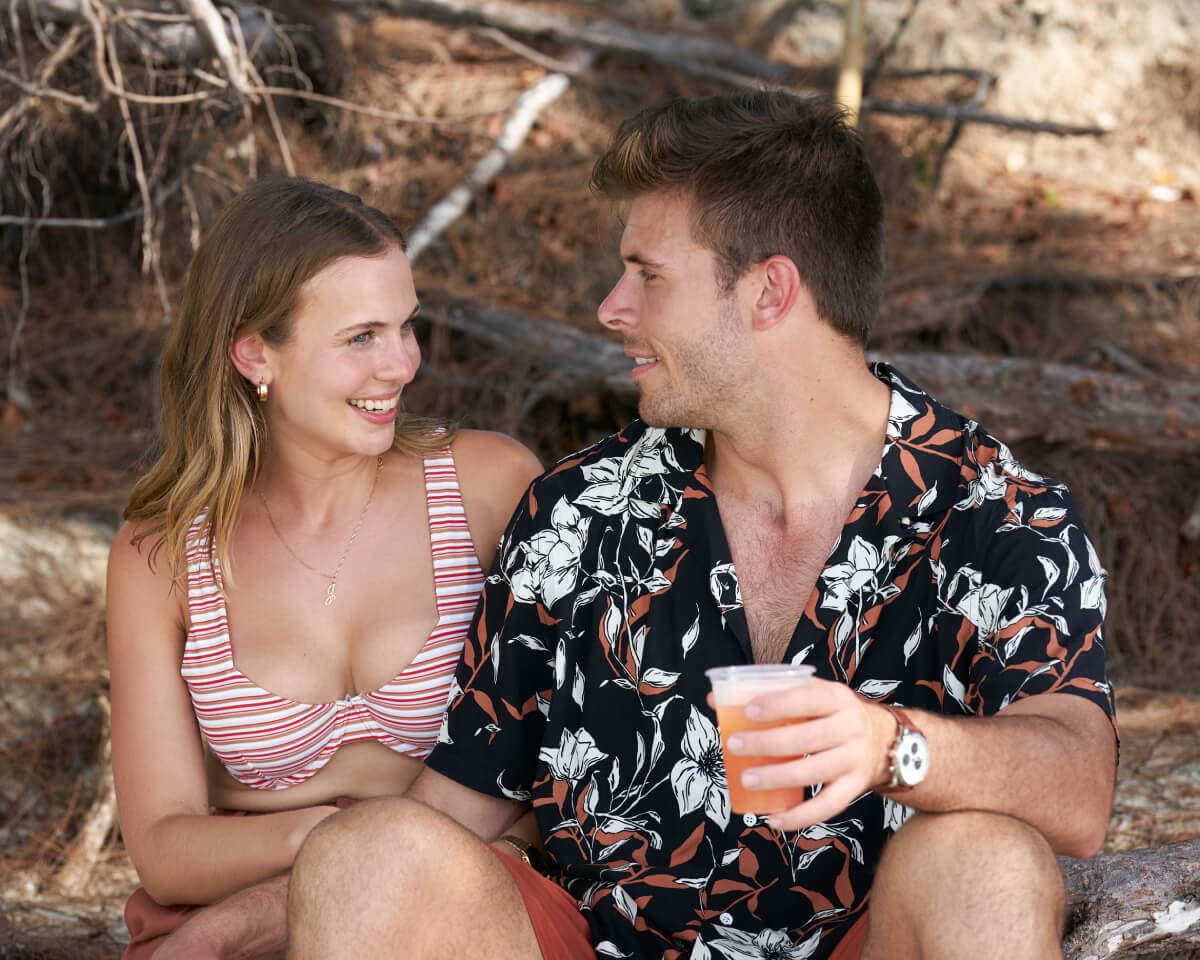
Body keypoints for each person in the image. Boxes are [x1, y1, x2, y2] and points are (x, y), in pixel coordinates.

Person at [215, 92, 1115, 960]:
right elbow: (450, 815)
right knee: (369, 854)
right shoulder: (579, 514)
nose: (612, 307)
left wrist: (894, 748)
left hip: (863, 939)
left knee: (981, 863)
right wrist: (227, 930)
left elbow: (1078, 784)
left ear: (769, 292)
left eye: (647, 275)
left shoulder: (998, 514)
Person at [104, 177, 542, 959]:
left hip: (456, 898)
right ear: (252, 353)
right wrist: (327, 838)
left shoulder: (488, 490)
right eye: (360, 338)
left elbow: (562, 767)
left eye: (407, 327)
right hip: (226, 924)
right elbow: (166, 852)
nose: (402, 365)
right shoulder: (162, 556)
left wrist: (370, 865)